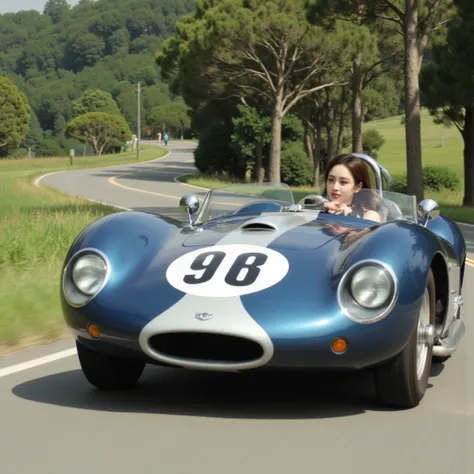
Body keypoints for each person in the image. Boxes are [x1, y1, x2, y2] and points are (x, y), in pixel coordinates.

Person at [322, 154, 381, 223]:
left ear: (358, 187)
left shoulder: (369, 215)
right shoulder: (318, 208)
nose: (335, 187)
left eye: (343, 182)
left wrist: (350, 216)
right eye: (331, 180)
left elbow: (360, 232)